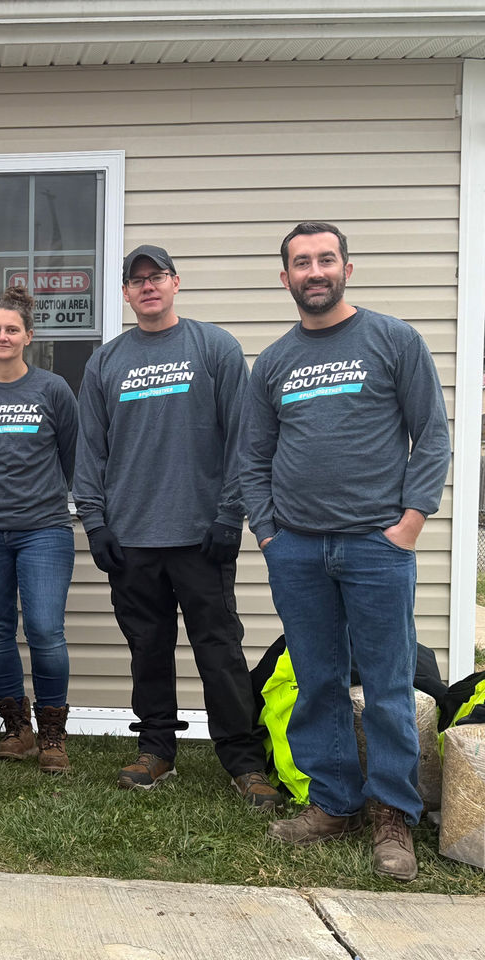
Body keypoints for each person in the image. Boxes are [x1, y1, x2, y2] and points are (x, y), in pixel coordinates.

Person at [242, 222, 451, 881]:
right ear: (285, 279)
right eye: (301, 262)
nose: (314, 271)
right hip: (298, 552)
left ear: (347, 268)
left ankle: (394, 817)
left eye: (325, 259)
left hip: (376, 547)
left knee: (389, 687)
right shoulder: (274, 362)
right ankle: (334, 803)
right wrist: (271, 537)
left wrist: (410, 523)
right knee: (317, 682)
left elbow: (433, 437)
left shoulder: (393, 340)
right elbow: (251, 458)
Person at [73, 244, 277, 810]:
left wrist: (228, 515)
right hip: (131, 537)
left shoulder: (214, 348)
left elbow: (244, 439)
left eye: (156, 276)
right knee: (148, 647)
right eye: (136, 280)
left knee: (220, 650)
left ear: (175, 282)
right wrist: (95, 523)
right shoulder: (105, 362)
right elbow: (91, 450)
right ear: (126, 292)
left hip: (201, 535)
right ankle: (156, 748)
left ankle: (242, 759)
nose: (147, 286)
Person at [0, 286, 79, 773]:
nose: (2, 336)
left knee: (46, 630)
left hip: (44, 528)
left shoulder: (52, 389)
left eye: (12, 329)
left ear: (28, 335)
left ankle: (52, 733)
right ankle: (17, 728)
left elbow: (73, 457)